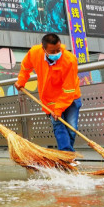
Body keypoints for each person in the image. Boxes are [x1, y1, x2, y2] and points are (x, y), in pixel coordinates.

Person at [15, 33, 82, 162]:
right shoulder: (35, 53)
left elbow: (69, 89)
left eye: (58, 49)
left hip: (71, 97)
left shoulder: (69, 60)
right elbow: (25, 67)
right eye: (52, 51)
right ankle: (66, 158)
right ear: (43, 49)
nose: (57, 53)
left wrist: (59, 109)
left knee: (71, 129)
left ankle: (66, 155)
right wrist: (21, 81)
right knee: (59, 127)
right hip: (50, 99)